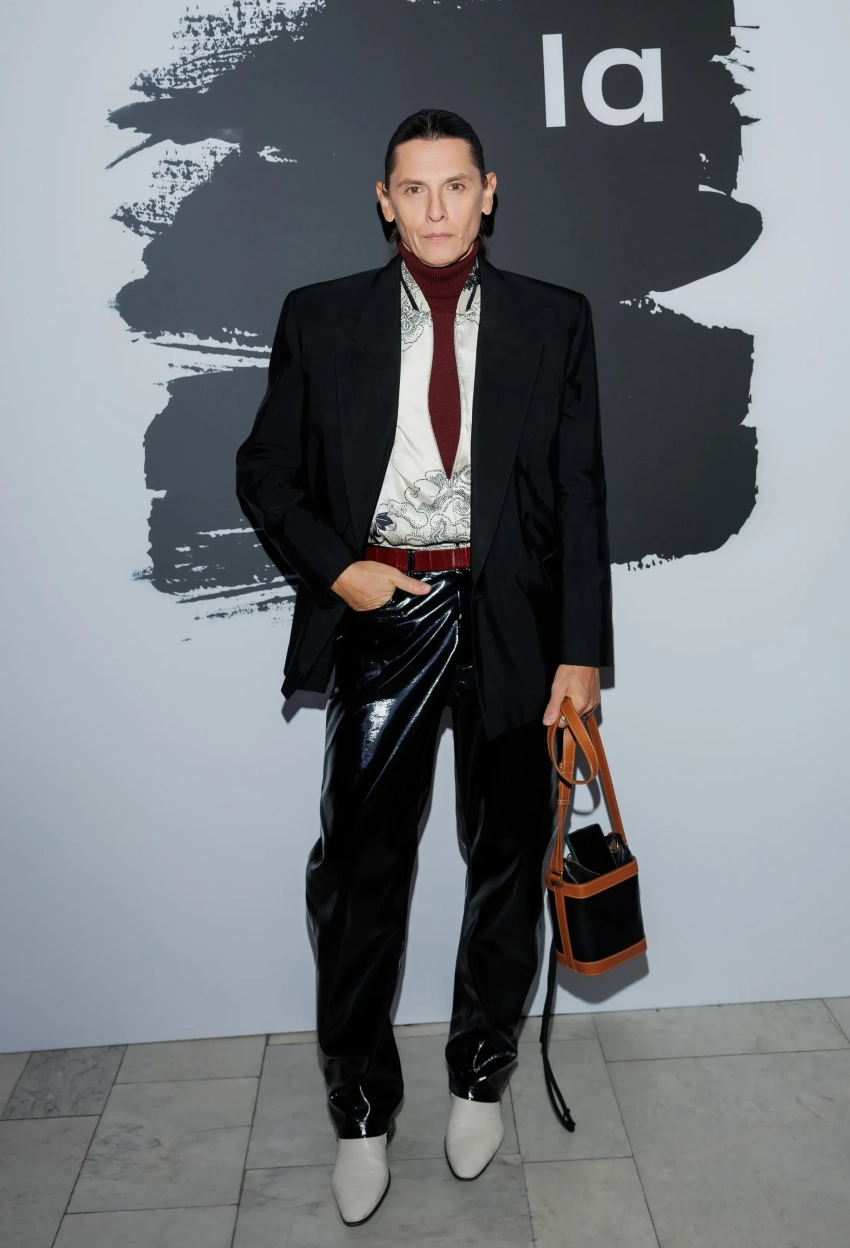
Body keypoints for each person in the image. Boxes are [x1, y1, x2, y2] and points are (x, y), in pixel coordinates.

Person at [235, 108, 613, 1226]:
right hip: (385, 610)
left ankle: (481, 1075)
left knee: (506, 863)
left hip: (513, 624)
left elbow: (580, 492)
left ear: (488, 192)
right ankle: (360, 1108)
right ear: (384, 200)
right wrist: (340, 570)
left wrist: (581, 651)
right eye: (415, 188)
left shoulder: (555, 318)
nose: (437, 209)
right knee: (359, 874)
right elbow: (265, 470)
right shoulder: (320, 317)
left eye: (456, 186)